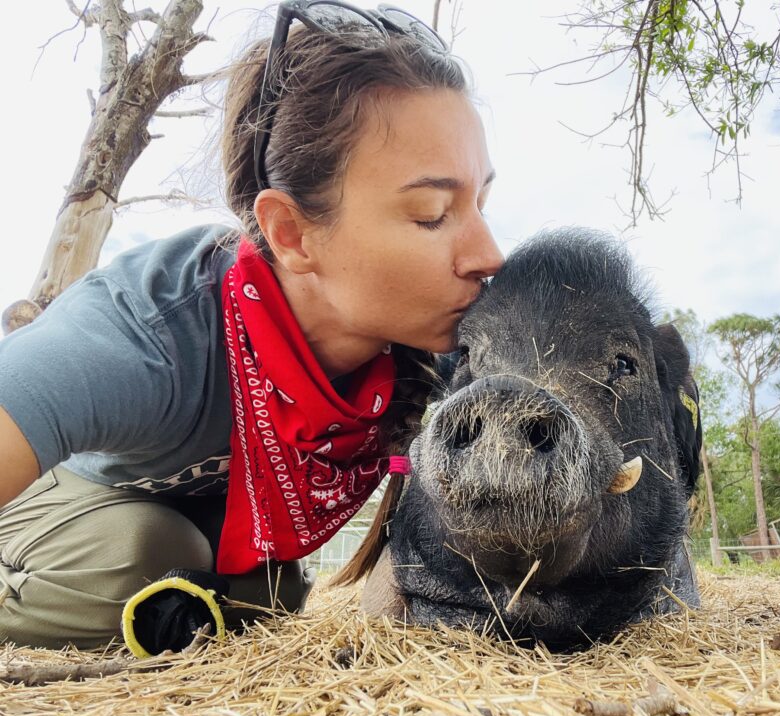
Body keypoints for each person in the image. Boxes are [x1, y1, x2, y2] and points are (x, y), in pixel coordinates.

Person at [0, 1, 502, 650]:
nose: (489, 255)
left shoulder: (416, 357)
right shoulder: (151, 336)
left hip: (212, 514)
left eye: (481, 203)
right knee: (145, 553)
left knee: (273, 590)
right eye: (433, 213)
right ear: (292, 234)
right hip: (55, 496)